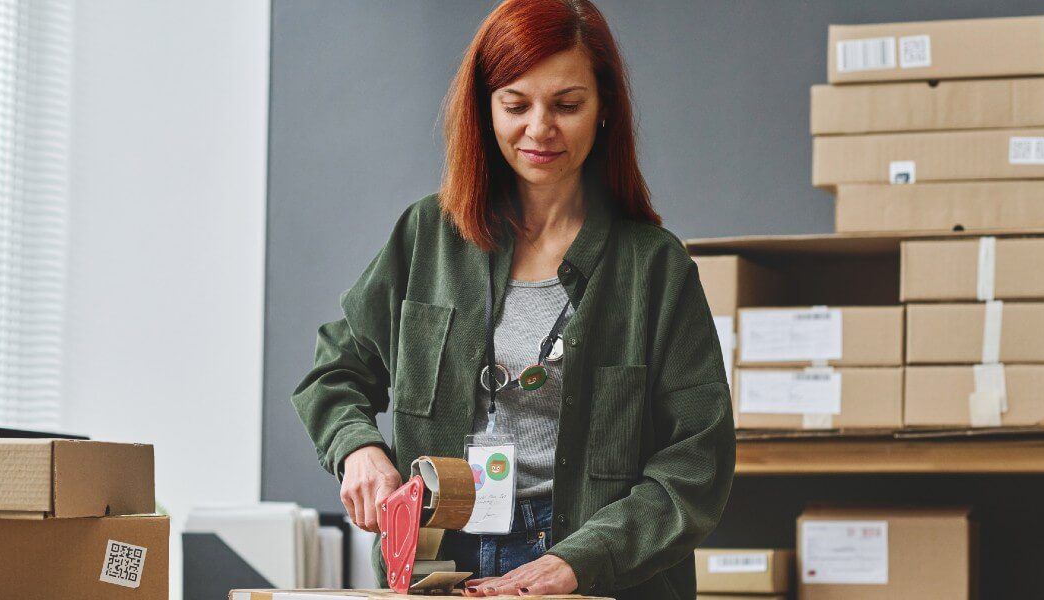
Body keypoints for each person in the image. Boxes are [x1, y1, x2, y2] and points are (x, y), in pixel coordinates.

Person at [290, 0, 735, 597]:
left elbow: (696, 462)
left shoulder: (654, 268)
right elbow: (334, 372)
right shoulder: (427, 236)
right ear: (485, 109)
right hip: (440, 565)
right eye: (515, 104)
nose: (539, 129)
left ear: (604, 110)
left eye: (567, 105)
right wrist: (358, 449)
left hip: (589, 571)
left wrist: (582, 561)